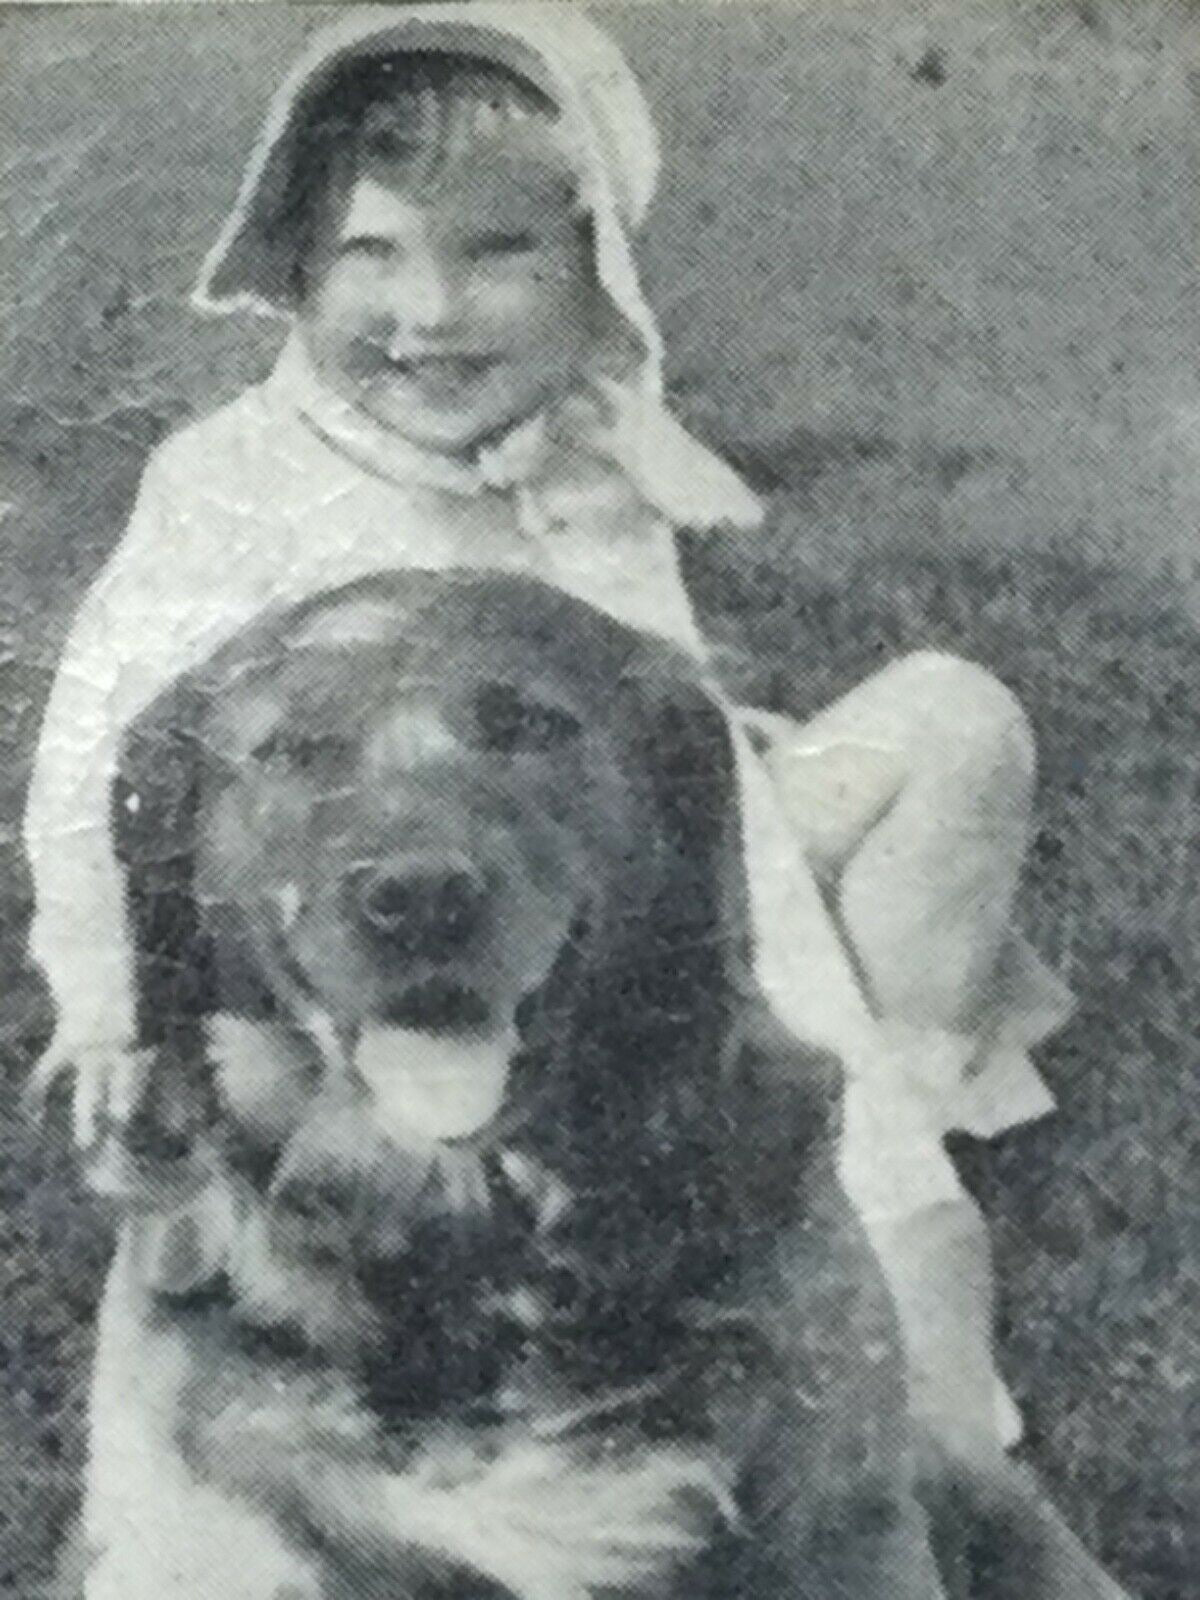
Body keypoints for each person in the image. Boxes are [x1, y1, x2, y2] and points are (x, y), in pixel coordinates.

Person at [22, 7, 1124, 1597]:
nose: (429, 312)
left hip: (639, 853)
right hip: (352, 862)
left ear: (593, 265)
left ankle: (911, 1165)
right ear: (289, 266)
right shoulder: (223, 484)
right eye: (371, 256)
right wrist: (113, 999)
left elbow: (689, 795)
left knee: (953, 726)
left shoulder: (591, 453)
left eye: (498, 256)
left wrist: (805, 1044)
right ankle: (894, 1300)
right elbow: (97, 765)